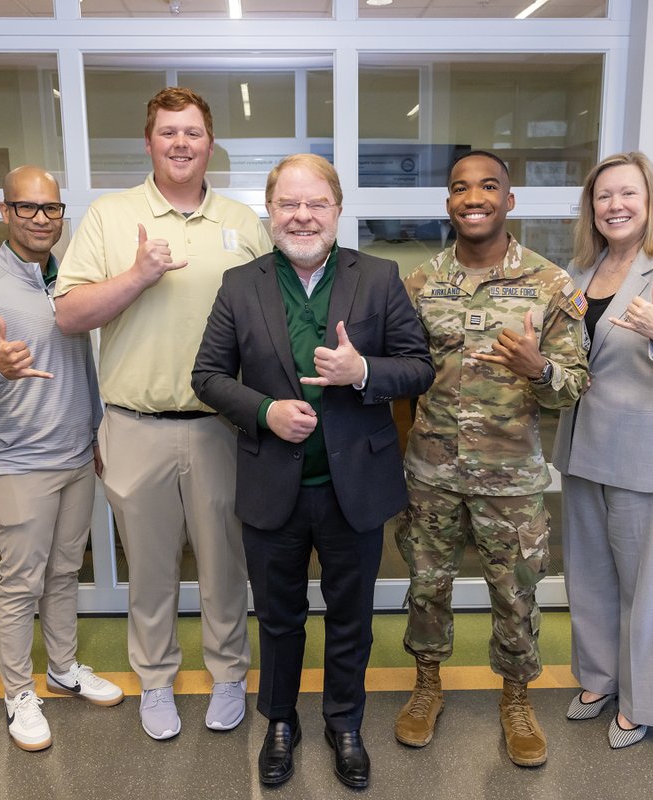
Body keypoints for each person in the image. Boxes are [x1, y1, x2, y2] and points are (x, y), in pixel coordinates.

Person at [192, 154, 434, 789]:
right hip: (274, 485)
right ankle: (280, 722)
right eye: (288, 205)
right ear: (270, 213)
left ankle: (344, 721)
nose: (302, 216)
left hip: (354, 487)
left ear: (337, 209)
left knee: (350, 615)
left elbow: (418, 365)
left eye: (316, 204)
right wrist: (265, 411)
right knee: (278, 617)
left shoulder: (380, 277)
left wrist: (364, 374)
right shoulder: (240, 285)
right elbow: (208, 377)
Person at [52, 87, 271, 741]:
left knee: (225, 567)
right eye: (168, 132)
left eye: (194, 133)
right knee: (148, 572)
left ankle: (229, 675)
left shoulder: (243, 222)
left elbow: (270, 328)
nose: (181, 143)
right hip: (136, 427)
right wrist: (138, 276)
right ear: (149, 142)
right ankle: (155, 682)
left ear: (210, 145)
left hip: (221, 429)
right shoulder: (110, 218)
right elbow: (68, 316)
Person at [395, 150, 589, 767]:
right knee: (427, 585)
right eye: (459, 188)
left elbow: (576, 383)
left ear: (510, 200)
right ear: (448, 202)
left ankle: (516, 696)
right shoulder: (421, 283)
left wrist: (540, 370)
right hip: (431, 472)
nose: (472, 197)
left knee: (516, 590)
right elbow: (402, 372)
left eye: (487, 186)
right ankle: (428, 684)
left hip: (511, 477)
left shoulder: (550, 284)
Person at [551, 151, 653, 749]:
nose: (614, 206)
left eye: (627, 194)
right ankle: (598, 679)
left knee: (644, 591)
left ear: (649, 202)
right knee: (590, 579)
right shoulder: (582, 272)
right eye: (603, 197)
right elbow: (576, 363)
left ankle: (643, 703)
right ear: (590, 208)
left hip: (651, 460)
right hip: (584, 451)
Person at [0, 166, 123, 753]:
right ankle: (19, 693)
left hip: (77, 456)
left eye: (51, 209)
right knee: (20, 583)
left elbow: (84, 369)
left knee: (64, 573)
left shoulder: (71, 281)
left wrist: (98, 430)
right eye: (27, 209)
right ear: (5, 212)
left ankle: (63, 668)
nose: (41, 219)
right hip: (19, 462)